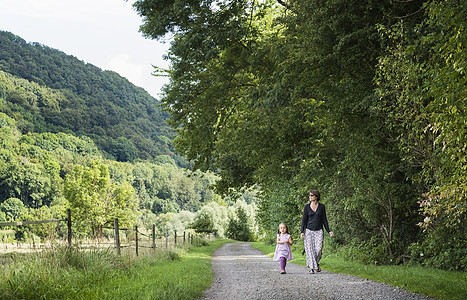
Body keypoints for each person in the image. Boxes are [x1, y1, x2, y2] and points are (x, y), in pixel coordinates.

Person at [300, 190, 333, 274]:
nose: (310, 197)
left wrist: (329, 231)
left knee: (318, 249)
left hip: (319, 231)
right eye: (309, 195)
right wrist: (302, 231)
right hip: (309, 231)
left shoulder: (322, 207)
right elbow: (304, 220)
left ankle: (316, 263)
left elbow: (324, 220)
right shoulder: (306, 207)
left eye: (312, 195)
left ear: (316, 197)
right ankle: (311, 267)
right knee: (310, 250)